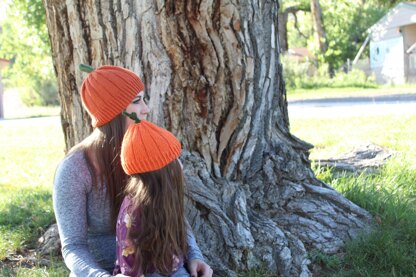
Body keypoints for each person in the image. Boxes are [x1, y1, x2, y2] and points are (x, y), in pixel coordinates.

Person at [53, 65, 212, 276]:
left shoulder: (151, 153)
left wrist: (194, 255)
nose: (146, 109)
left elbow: (173, 215)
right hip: (102, 270)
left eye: (143, 99)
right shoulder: (74, 169)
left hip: (157, 265)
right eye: (137, 101)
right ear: (113, 113)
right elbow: (73, 246)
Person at [113, 112, 213, 277]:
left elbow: (181, 229)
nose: (180, 164)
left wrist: (194, 257)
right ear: (160, 174)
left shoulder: (166, 196)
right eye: (174, 160)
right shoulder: (134, 215)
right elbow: (131, 269)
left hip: (176, 269)